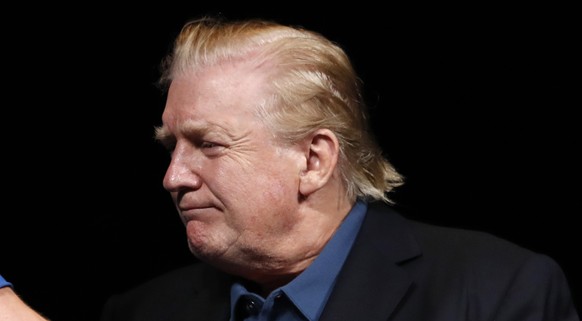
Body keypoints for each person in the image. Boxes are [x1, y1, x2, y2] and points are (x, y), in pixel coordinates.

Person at [99, 16, 579, 321]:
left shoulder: (499, 291)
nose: (174, 177)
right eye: (172, 147)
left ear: (313, 160)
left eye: (209, 144)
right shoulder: (140, 310)